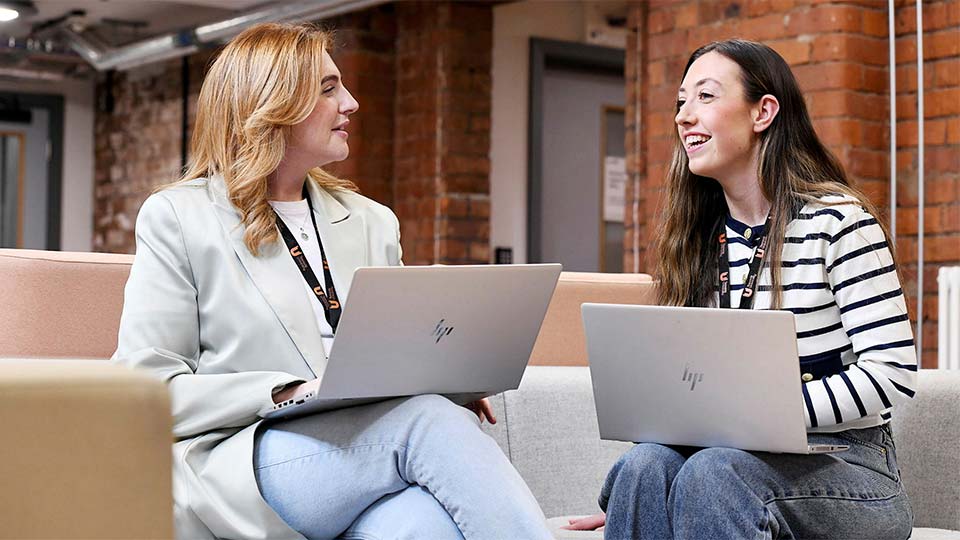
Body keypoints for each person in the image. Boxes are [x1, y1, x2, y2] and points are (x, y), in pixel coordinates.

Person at [112, 22, 552, 540]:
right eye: (328, 88)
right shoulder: (179, 217)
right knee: (430, 422)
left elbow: (399, 349)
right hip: (245, 454)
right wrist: (288, 392)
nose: (352, 103)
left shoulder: (371, 220)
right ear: (272, 102)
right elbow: (146, 389)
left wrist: (446, 377)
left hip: (360, 447)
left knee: (425, 527)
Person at [564, 39, 917, 539]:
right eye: (681, 102)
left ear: (763, 112)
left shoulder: (839, 224)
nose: (685, 116)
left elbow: (892, 373)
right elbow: (692, 394)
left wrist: (760, 418)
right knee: (644, 467)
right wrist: (638, 493)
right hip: (734, 461)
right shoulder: (701, 242)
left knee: (714, 473)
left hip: (851, 466)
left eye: (705, 97)